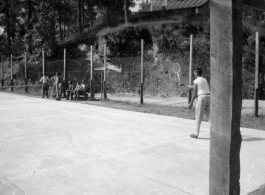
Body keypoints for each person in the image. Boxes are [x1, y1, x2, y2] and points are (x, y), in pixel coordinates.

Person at [180, 68, 210, 139]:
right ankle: (215, 133)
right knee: (210, 117)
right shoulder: (204, 80)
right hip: (209, 97)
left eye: (194, 73)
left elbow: (194, 93)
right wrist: (184, 85)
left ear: (196, 73)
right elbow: (194, 87)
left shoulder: (196, 80)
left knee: (198, 116)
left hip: (202, 97)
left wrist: (191, 102)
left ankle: (196, 134)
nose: (193, 74)